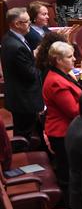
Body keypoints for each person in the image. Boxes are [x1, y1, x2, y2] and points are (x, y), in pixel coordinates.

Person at [41, 41, 82, 202]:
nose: (74, 59)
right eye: (70, 56)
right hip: (62, 133)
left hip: (69, 130)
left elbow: (75, 92)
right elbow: (74, 110)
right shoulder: (55, 82)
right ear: (58, 60)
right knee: (70, 173)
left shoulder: (62, 74)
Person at [1, 8, 44, 141]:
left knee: (33, 133)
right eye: (27, 22)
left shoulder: (10, 37)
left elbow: (23, 63)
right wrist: (44, 62)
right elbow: (31, 74)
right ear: (16, 24)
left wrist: (33, 55)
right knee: (25, 137)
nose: (30, 25)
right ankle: (24, 160)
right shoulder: (15, 45)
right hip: (24, 99)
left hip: (21, 97)